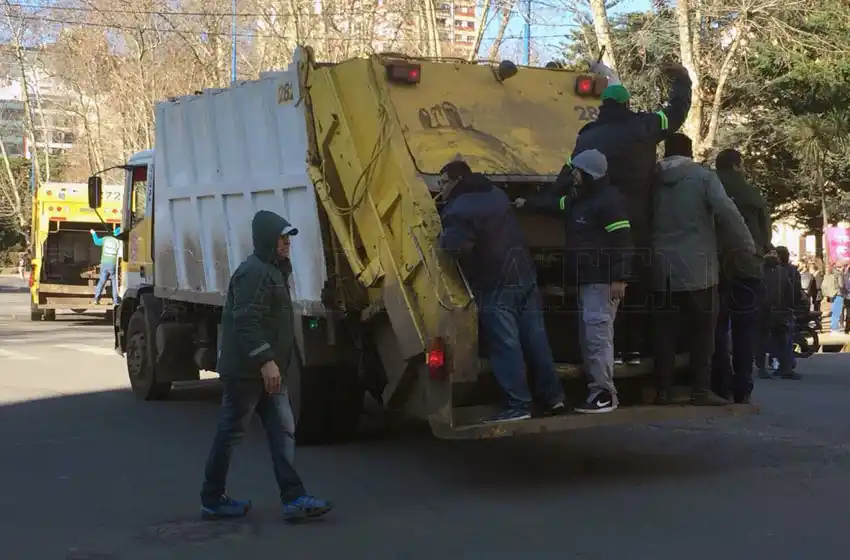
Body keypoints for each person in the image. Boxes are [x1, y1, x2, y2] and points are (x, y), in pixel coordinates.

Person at [200, 210, 332, 522]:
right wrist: (266, 360)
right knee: (231, 434)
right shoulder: (255, 272)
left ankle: (294, 498)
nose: (287, 243)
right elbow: (246, 320)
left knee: (283, 431)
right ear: (267, 240)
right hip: (248, 373)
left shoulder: (273, 270)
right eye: (281, 238)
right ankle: (212, 498)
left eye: (288, 238)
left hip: (268, 372)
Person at [566, 62, 693, 366]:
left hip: (599, 224)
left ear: (602, 104)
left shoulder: (586, 136)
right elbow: (676, 111)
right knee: (635, 283)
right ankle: (632, 350)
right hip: (637, 219)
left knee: (605, 288)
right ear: (627, 103)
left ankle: (606, 350)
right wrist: (681, 80)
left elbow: (574, 175)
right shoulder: (645, 126)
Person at [438, 159, 566, 422]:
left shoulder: (459, 209)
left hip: (494, 282)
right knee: (536, 340)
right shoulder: (496, 194)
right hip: (524, 275)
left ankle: (518, 405)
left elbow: (453, 247)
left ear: (457, 181)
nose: (442, 188)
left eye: (444, 182)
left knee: (506, 345)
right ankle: (554, 397)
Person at [517, 149, 633, 413]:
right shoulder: (579, 200)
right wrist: (528, 203)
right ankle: (595, 391)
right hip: (587, 281)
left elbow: (623, 242)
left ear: (588, 174)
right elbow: (553, 205)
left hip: (601, 282)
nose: (573, 176)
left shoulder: (608, 202)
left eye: (576, 172)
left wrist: (619, 277)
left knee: (598, 337)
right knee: (588, 336)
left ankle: (605, 393)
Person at [650, 134, 755, 405]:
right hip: (699, 269)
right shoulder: (703, 177)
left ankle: (663, 390)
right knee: (703, 332)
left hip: (662, 269)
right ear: (691, 152)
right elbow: (726, 211)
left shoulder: (652, 179)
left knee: (665, 332)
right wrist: (746, 245)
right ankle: (700, 389)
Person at [711, 149, 772, 404]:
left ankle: (720, 383)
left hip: (716, 266)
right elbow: (765, 234)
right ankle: (743, 387)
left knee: (716, 327)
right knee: (745, 329)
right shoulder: (751, 193)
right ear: (737, 165)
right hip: (748, 268)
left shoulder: (709, 186)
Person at [757, 247, 800, 380]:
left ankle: (762, 368)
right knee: (782, 340)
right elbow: (791, 293)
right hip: (780, 311)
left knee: (763, 340)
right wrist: (790, 307)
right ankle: (785, 367)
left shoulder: (759, 272)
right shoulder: (783, 272)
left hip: (763, 311)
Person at [90, 226, 122, 304]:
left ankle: (96, 299)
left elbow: (97, 242)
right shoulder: (119, 242)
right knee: (114, 283)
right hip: (113, 264)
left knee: (101, 281)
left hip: (104, 264)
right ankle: (115, 301)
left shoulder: (106, 239)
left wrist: (93, 233)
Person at [821, 264, 844, 333]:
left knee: (834, 311)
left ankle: (834, 327)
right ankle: (835, 328)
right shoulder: (839, 274)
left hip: (831, 294)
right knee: (837, 311)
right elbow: (841, 285)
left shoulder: (827, 276)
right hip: (838, 293)